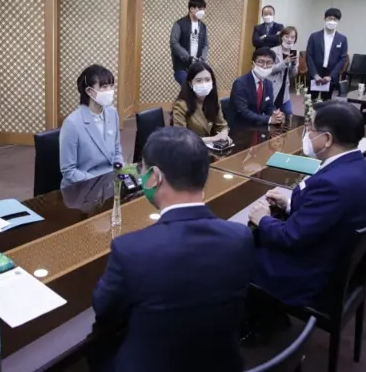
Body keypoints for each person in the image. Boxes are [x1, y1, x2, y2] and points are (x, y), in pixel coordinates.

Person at [91, 127, 253, 372]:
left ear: (154, 176)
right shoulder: (240, 237)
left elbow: (104, 310)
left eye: (142, 169)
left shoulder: (130, 251)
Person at [247, 101, 366, 309]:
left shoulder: (333, 183)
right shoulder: (363, 166)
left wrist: (263, 218)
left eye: (310, 128)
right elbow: (324, 213)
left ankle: (256, 321)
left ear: (326, 139)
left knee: (236, 250)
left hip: (308, 272)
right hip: (329, 251)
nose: (307, 133)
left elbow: (290, 236)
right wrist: (290, 203)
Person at [59, 64, 123, 188]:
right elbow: (69, 171)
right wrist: (100, 183)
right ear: (89, 91)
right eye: (104, 87)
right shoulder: (72, 123)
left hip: (110, 181)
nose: (110, 91)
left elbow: (117, 151)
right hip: (83, 186)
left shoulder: (112, 112)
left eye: (111, 86)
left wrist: (120, 172)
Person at [172, 61, 231, 144]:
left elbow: (222, 126)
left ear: (212, 82)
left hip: (211, 151)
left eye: (207, 80)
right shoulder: (181, 105)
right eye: (199, 81)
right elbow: (181, 138)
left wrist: (224, 134)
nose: (204, 84)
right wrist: (213, 139)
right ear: (190, 84)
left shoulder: (214, 100)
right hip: (189, 151)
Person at [230, 48, 285, 127]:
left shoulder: (268, 83)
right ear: (253, 64)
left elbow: (269, 106)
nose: (265, 66)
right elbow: (243, 111)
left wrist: (276, 114)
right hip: (241, 126)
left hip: (259, 125)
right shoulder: (240, 83)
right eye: (261, 62)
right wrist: (269, 119)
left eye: (269, 63)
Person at [306, 8, 348, 101]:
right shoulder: (314, 36)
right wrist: (315, 75)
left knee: (327, 101)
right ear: (325, 19)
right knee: (310, 101)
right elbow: (309, 56)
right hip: (315, 73)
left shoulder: (342, 39)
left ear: (338, 21)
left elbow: (342, 59)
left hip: (330, 74)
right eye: (329, 18)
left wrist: (331, 76)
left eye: (335, 19)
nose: (332, 21)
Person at [170, 0, 209, 85]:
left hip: (198, 66)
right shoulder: (179, 24)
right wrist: (188, 58)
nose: (202, 11)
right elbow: (174, 43)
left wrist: (203, 58)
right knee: (188, 85)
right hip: (182, 67)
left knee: (200, 88)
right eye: (199, 8)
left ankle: (183, 98)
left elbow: (206, 45)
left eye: (203, 9)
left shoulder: (203, 26)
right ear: (191, 9)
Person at [268, 26, 299, 114]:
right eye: (287, 36)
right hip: (273, 87)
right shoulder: (273, 51)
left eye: (292, 37)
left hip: (285, 88)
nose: (289, 39)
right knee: (272, 113)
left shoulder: (294, 52)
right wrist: (285, 62)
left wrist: (293, 65)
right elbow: (270, 70)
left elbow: (293, 74)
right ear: (281, 37)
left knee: (289, 113)